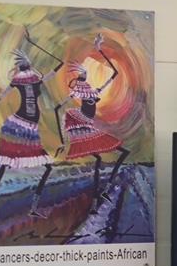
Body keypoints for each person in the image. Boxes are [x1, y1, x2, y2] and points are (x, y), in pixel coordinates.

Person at [0, 33, 63, 219]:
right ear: (28, 66)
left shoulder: (28, 80)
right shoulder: (33, 79)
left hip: (27, 127)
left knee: (14, 165)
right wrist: (32, 44)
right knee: (12, 165)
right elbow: (59, 65)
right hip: (20, 126)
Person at [53, 34, 130, 202]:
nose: (85, 75)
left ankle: (102, 193)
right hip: (82, 126)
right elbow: (57, 108)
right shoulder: (80, 91)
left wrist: (99, 49)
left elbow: (115, 73)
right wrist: (63, 140)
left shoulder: (92, 91)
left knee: (112, 156)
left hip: (87, 125)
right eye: (83, 74)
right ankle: (98, 196)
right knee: (105, 158)